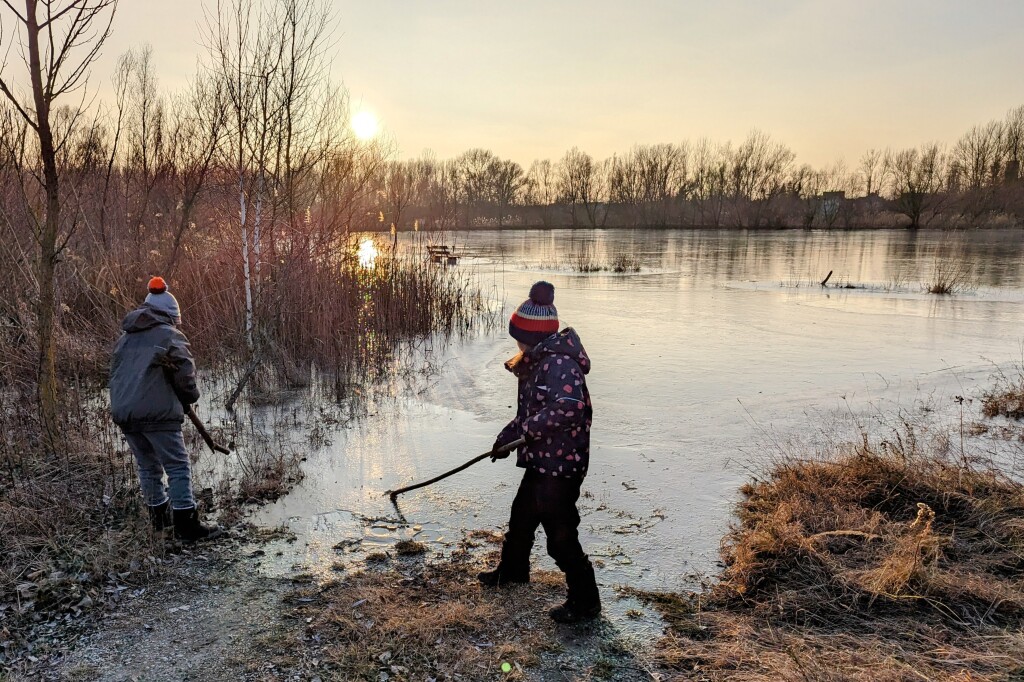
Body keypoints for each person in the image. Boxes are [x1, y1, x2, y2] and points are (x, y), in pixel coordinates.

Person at [479, 281, 601, 624]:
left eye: (518, 335)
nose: (515, 342)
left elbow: (570, 408)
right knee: (521, 519)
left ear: (531, 335)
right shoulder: (537, 361)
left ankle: (585, 600)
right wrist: (507, 437)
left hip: (562, 466)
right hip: (541, 461)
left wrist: (528, 432)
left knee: (561, 536)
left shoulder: (559, 363)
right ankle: (513, 573)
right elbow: (528, 416)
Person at [109, 277, 221, 543]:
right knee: (178, 465)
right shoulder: (169, 335)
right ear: (170, 315)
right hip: (157, 413)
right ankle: (187, 525)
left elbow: (114, 375)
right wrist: (190, 396)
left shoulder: (124, 340)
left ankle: (159, 522)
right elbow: (185, 373)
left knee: (148, 467)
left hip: (125, 412)